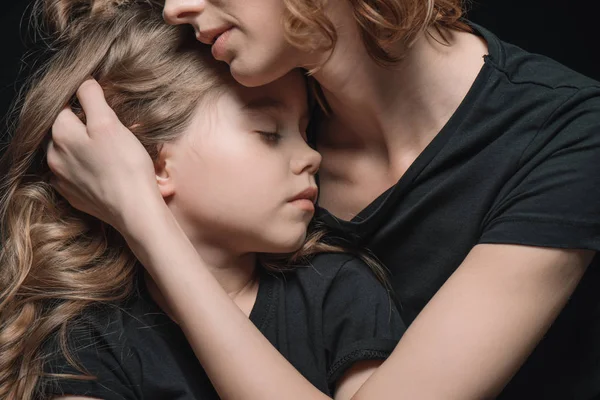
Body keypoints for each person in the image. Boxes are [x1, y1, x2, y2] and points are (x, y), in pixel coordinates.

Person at [46, 0, 600, 399]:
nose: (176, 8)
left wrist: (141, 211)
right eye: (271, 133)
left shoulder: (567, 137)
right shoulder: (247, 99)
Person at [0, 2, 406, 399]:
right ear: (152, 161)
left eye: (305, 131)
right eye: (269, 132)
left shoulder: (337, 291)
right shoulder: (89, 341)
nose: (312, 156)